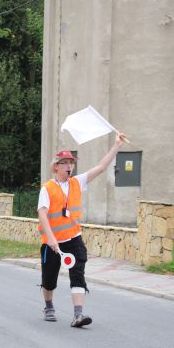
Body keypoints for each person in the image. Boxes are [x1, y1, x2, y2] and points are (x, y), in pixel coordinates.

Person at [38, 131, 128, 327]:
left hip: (73, 239)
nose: (70, 166)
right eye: (65, 163)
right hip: (52, 242)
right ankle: (48, 306)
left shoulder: (77, 182)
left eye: (72, 163)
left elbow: (101, 167)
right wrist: (51, 238)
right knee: (49, 279)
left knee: (77, 272)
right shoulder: (47, 188)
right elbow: (42, 214)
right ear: (56, 167)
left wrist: (116, 145)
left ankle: (78, 315)